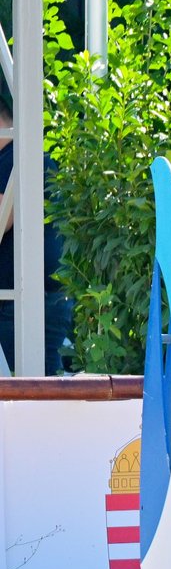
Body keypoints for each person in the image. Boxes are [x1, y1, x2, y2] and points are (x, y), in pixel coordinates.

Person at [0, 99, 72, 374]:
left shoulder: (24, 159)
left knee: (35, 393)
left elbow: (3, 218)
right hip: (25, 301)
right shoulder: (23, 157)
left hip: (28, 304)